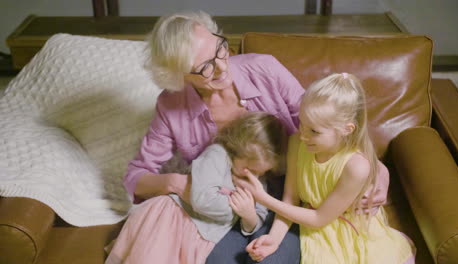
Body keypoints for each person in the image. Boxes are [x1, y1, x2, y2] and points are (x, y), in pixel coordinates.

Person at [123, 10, 389, 263]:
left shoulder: (264, 69)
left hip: (290, 196)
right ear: (178, 75)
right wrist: (180, 184)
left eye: (220, 49)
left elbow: (323, 123)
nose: (221, 67)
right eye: (204, 67)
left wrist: (376, 169)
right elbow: (136, 177)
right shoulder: (171, 105)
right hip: (229, 207)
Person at [236, 73, 416, 263]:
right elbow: (291, 199)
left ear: (347, 129)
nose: (303, 135)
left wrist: (263, 198)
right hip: (309, 222)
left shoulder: (355, 166)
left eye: (314, 131)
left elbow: (320, 218)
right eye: (302, 124)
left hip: (343, 229)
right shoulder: (298, 142)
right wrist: (273, 239)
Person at [106, 112, 288, 264]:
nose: (253, 176)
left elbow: (259, 216)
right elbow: (203, 199)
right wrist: (237, 211)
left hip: (202, 236)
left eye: (260, 172)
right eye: (249, 168)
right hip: (174, 218)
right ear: (236, 148)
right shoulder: (217, 155)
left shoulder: (258, 181)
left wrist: (249, 216)